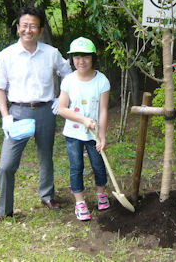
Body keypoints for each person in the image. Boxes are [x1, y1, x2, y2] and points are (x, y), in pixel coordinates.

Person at [0, 6, 72, 229]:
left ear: (40, 29)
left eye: (33, 26)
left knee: (46, 156)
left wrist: (60, 99)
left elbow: (68, 75)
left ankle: (47, 195)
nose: (28, 30)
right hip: (18, 113)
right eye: (24, 25)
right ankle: (4, 211)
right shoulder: (7, 55)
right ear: (18, 28)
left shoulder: (51, 53)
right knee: (6, 165)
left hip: (45, 110)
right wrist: (5, 116)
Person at [58, 37, 111, 221]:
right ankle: (80, 202)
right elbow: (62, 109)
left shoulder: (101, 80)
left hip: (94, 134)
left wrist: (102, 136)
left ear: (93, 57)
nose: (81, 61)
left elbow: (103, 110)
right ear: (72, 59)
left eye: (86, 57)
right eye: (77, 57)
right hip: (73, 134)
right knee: (76, 166)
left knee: (98, 164)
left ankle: (101, 194)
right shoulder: (68, 81)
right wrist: (83, 120)